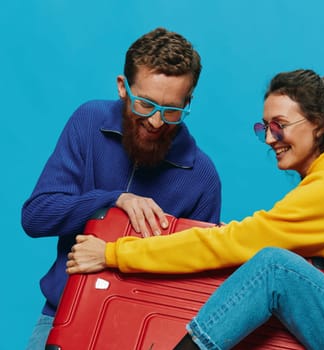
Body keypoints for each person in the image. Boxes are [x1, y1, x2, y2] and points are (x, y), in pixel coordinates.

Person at [67, 69, 324, 349]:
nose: (269, 138)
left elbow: (236, 243)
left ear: (317, 124)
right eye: (264, 127)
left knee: (273, 268)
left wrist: (115, 253)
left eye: (279, 125)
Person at [22, 27, 222, 350]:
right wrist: (114, 201)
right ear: (122, 87)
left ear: (188, 101)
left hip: (142, 334)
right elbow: (36, 216)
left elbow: (194, 282)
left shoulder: (202, 176)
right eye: (145, 105)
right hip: (62, 315)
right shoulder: (88, 122)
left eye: (172, 110)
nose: (156, 122)